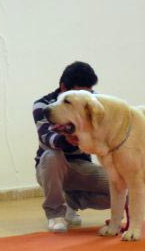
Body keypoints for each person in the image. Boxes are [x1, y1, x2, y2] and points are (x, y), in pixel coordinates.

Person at [32, 61, 111, 233]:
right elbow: (46, 137)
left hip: (81, 165)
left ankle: (70, 203)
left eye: (88, 92)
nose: (84, 97)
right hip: (51, 166)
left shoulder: (94, 102)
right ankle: (55, 214)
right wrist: (67, 140)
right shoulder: (43, 104)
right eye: (78, 92)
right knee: (52, 156)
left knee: (120, 189)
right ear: (63, 87)